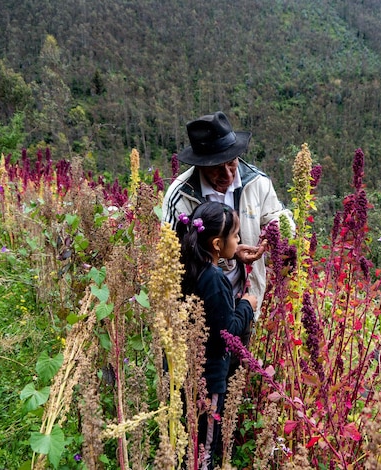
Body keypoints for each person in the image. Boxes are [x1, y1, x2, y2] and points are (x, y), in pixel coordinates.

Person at [162, 111, 294, 318]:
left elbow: (278, 215)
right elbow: (174, 256)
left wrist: (275, 228)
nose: (228, 174)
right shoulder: (180, 196)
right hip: (199, 309)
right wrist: (230, 255)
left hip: (246, 301)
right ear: (200, 164)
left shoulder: (257, 183)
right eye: (216, 167)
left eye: (232, 162)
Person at [176, 201, 256, 470]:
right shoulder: (214, 278)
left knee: (186, 443)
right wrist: (247, 305)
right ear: (217, 245)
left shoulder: (186, 268)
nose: (239, 240)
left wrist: (233, 256)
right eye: (235, 235)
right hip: (208, 381)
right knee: (205, 450)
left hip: (184, 375)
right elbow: (227, 333)